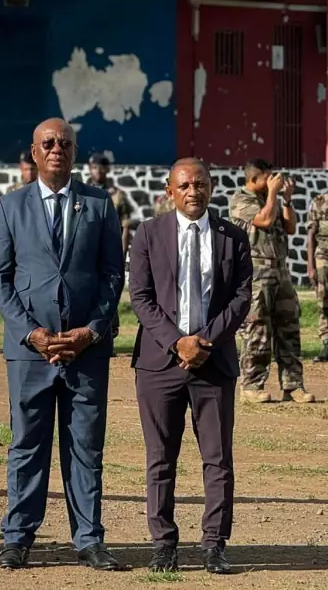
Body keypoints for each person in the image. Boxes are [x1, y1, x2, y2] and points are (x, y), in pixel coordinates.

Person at [0, 118, 123, 572]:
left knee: (85, 445)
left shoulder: (99, 205)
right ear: (34, 151)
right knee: (27, 444)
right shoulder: (10, 207)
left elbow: (111, 276)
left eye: (65, 143)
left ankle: (89, 539)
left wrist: (92, 330)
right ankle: (17, 538)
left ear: (75, 150)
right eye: (48, 143)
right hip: (30, 350)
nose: (57, 149)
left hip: (85, 349)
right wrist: (32, 333)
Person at [127, 158, 251, 575]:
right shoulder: (148, 233)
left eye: (200, 183)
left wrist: (204, 342)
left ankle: (214, 544)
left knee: (217, 459)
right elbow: (141, 297)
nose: (192, 191)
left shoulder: (233, 237)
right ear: (169, 191)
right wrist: (177, 341)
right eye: (184, 185)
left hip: (213, 363)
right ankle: (164, 544)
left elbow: (241, 298)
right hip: (159, 363)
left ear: (211, 188)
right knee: (160, 457)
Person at [228, 160, 314, 403]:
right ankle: (251, 386)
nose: (272, 182)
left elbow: (289, 226)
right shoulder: (241, 200)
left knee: (289, 328)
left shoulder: (272, 199)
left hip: (280, 270)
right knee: (258, 330)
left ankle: (292, 385)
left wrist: (285, 199)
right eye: (268, 178)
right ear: (254, 179)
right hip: (256, 272)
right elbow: (263, 221)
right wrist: (274, 194)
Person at [85, 154, 136, 261]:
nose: (98, 171)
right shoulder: (81, 193)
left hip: (109, 249)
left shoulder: (117, 195)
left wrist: (121, 254)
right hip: (86, 248)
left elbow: (125, 226)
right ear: (89, 169)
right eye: (94, 167)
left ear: (107, 169)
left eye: (102, 167)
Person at [305, 190, 328, 363]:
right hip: (324, 254)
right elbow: (311, 235)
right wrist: (310, 266)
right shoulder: (319, 202)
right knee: (324, 297)